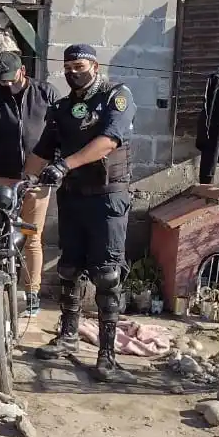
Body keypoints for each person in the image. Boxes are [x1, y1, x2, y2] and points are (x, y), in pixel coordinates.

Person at [27, 44, 136, 381]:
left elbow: (109, 141)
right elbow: (42, 152)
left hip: (107, 198)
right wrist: (22, 184)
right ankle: (68, 336)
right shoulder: (62, 107)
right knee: (69, 269)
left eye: (79, 66)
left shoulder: (115, 96)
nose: (72, 72)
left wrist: (64, 165)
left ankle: (107, 357)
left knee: (106, 275)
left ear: (94, 66)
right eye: (68, 67)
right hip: (72, 197)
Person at [0, 51, 59, 314]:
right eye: (2, 80)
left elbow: (61, 133)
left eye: (10, 78)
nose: (7, 84)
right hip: (3, 176)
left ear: (22, 71)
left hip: (37, 178)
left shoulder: (46, 94)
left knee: (32, 235)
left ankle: (31, 293)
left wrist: (54, 165)